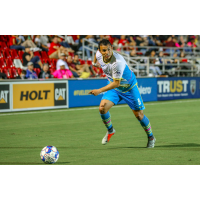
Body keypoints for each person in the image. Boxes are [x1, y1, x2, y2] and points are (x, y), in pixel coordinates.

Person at [90, 39, 156, 148]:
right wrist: (94, 63)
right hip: (114, 88)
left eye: (108, 49)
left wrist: (99, 90)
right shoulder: (98, 54)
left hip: (128, 88)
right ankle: (110, 130)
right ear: (99, 50)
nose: (106, 52)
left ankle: (151, 137)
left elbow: (117, 83)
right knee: (102, 108)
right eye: (103, 50)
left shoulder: (117, 62)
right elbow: (96, 56)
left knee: (139, 115)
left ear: (112, 47)